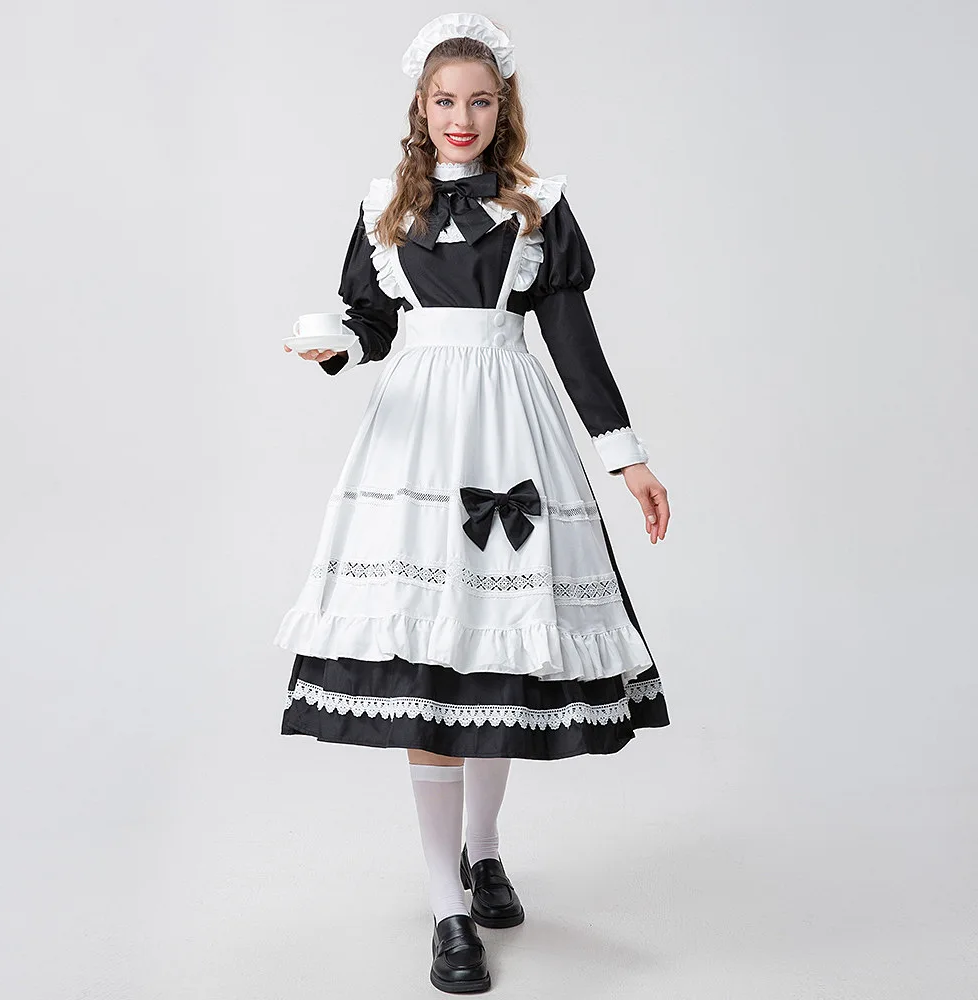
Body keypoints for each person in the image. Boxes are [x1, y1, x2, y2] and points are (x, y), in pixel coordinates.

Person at [276, 12, 671, 993]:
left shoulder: (538, 207)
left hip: (509, 433)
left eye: (480, 101)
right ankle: (445, 907)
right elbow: (371, 322)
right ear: (420, 107)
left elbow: (571, 339)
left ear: (504, 109)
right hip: (414, 443)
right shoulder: (382, 209)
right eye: (445, 100)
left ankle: (483, 853)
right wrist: (336, 345)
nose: (462, 117)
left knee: (494, 653)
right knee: (428, 658)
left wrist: (625, 458)